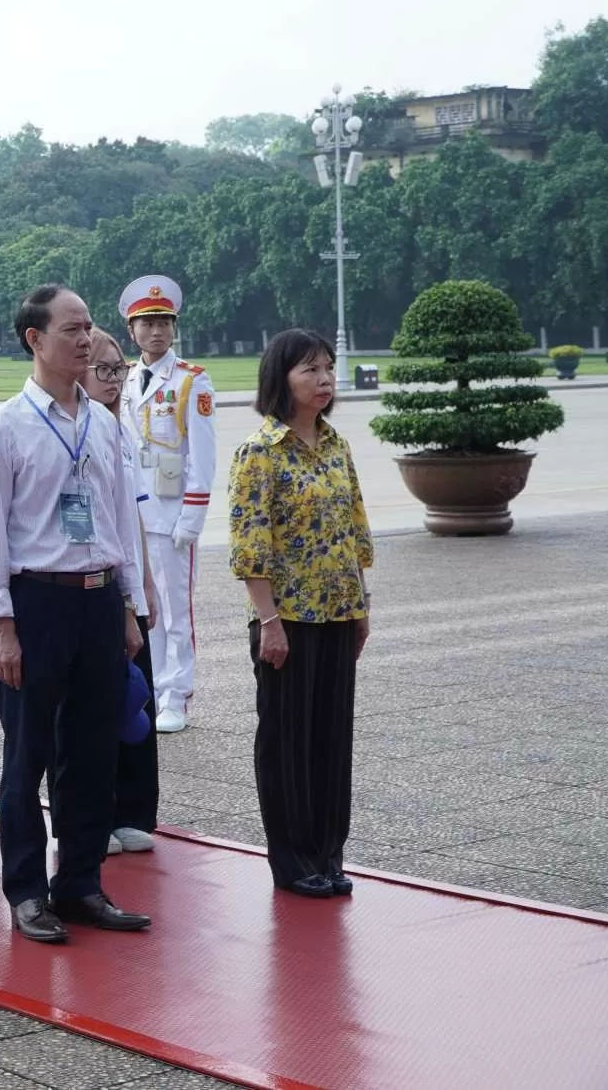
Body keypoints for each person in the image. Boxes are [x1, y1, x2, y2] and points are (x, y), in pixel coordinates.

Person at [0, 284, 149, 945]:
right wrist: (0, 624)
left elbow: (118, 517)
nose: (86, 338)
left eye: (89, 325)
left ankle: (81, 880)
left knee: (93, 749)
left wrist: (129, 604)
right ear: (34, 338)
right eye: (71, 328)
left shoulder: (103, 422)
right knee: (29, 754)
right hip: (35, 601)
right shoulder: (6, 427)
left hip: (98, 597)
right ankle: (26, 889)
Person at [229, 329, 374, 899]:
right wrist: (269, 623)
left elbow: (353, 529)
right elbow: (250, 545)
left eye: (329, 369)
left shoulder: (337, 445)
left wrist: (360, 606)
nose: (324, 380)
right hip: (287, 620)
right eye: (311, 370)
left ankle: (328, 852)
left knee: (331, 739)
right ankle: (293, 862)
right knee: (287, 741)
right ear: (281, 379)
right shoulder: (259, 452)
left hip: (339, 613)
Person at [118, 276, 215, 732]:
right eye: (147, 323)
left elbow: (203, 455)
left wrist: (192, 519)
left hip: (172, 512)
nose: (157, 331)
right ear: (132, 331)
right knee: (144, 609)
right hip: (134, 516)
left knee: (176, 610)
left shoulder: (190, 381)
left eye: (164, 322)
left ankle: (177, 693)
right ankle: (153, 689)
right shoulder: (125, 380)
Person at [83, 329, 161, 856]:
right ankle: (96, 811)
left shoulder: (120, 429)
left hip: (127, 578)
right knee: (92, 704)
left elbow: (134, 513)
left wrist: (147, 582)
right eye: (104, 371)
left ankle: (135, 809)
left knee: (136, 692)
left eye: (119, 371)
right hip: (87, 582)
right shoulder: (62, 430)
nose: (114, 381)